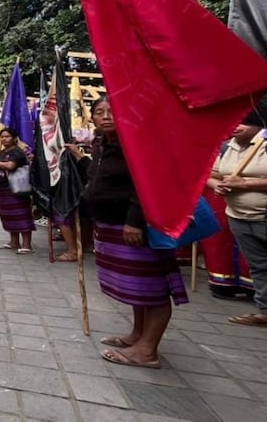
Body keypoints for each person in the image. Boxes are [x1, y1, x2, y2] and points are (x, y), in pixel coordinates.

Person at [68, 96, 187, 369]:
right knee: (136, 287)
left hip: (136, 227)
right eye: (100, 112)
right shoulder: (101, 145)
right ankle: (137, 334)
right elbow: (100, 176)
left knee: (152, 287)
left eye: (113, 110)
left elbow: (148, 181)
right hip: (110, 225)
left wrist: (135, 219)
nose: (106, 116)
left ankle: (147, 351)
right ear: (93, 118)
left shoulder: (138, 143)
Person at [208, 116, 267, 326]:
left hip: (266, 216)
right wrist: (215, 184)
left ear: (257, 123)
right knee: (259, 265)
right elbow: (212, 173)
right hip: (238, 215)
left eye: (242, 122)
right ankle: (266, 311)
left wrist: (245, 183)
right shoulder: (227, 147)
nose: (235, 126)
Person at [0, 127, 35, 253]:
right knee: (9, 216)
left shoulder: (17, 152)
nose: (4, 139)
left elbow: (11, 165)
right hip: (5, 190)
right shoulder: (3, 152)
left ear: (14, 138)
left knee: (22, 216)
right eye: (2, 137)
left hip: (17, 190)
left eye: (7, 136)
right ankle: (14, 242)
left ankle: (27, 245)